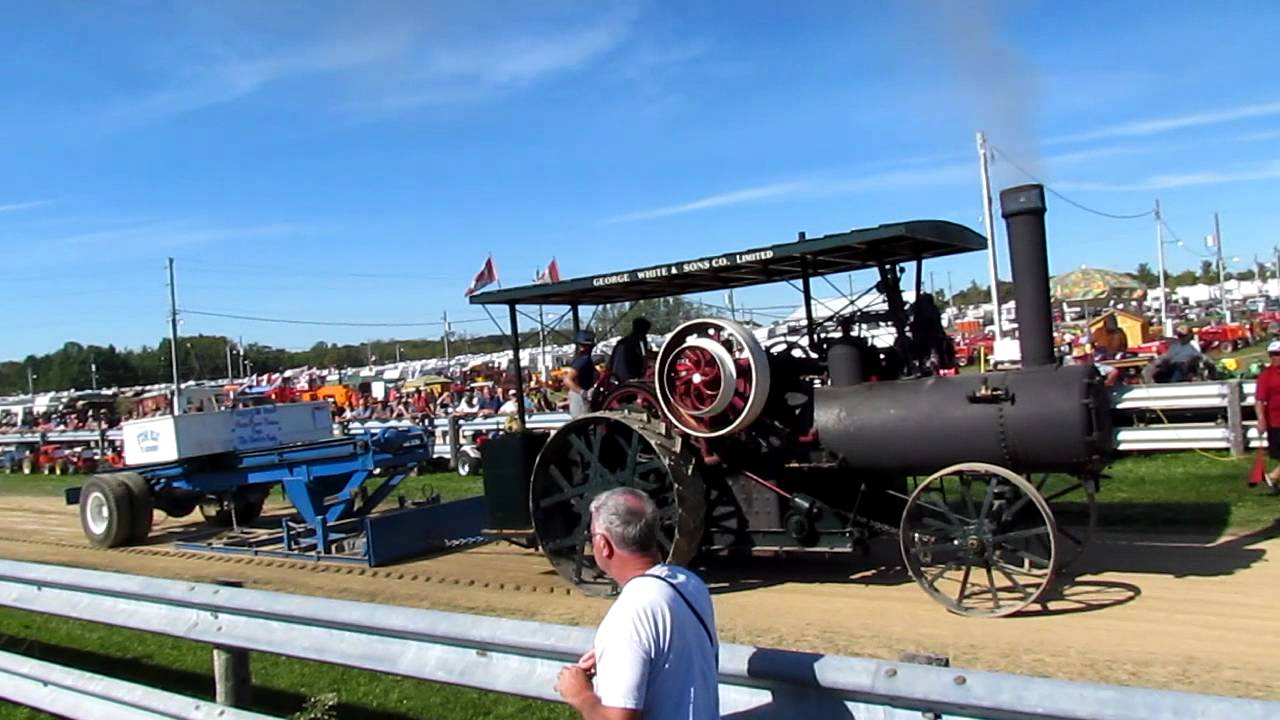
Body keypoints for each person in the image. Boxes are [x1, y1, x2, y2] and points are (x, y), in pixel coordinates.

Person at [555, 487, 718, 719]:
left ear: (603, 543)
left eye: (592, 536)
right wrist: (622, 653)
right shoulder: (690, 584)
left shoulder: (630, 614)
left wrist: (580, 695)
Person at [1254, 340, 1280, 495]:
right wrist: (1261, 419)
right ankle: (1273, 477)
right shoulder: (1266, 376)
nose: (1278, 357)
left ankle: (1272, 476)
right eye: (1275, 354)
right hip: (1275, 420)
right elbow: (1259, 400)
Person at [566, 330, 598, 418]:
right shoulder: (583, 360)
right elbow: (567, 380)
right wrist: (583, 393)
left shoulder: (583, 359)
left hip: (580, 396)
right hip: (580, 398)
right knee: (583, 424)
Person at [608, 318, 651, 383]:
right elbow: (644, 356)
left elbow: (611, 361)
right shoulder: (639, 340)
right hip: (630, 376)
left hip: (615, 375)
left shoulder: (621, 342)